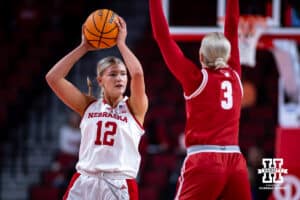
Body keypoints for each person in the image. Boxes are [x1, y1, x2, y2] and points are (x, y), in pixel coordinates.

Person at [149, 0, 251, 199]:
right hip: (235, 161)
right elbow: (232, 22)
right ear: (229, 53)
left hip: (204, 160)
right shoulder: (236, 74)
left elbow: (162, 37)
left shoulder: (195, 79)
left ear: (201, 56)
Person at [46, 16, 148, 200]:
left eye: (123, 74)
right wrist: (83, 47)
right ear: (100, 80)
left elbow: (138, 74)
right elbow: (53, 78)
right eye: (113, 74)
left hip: (118, 183)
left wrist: (121, 44)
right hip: (84, 180)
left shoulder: (134, 107)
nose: (120, 78)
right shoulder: (88, 106)